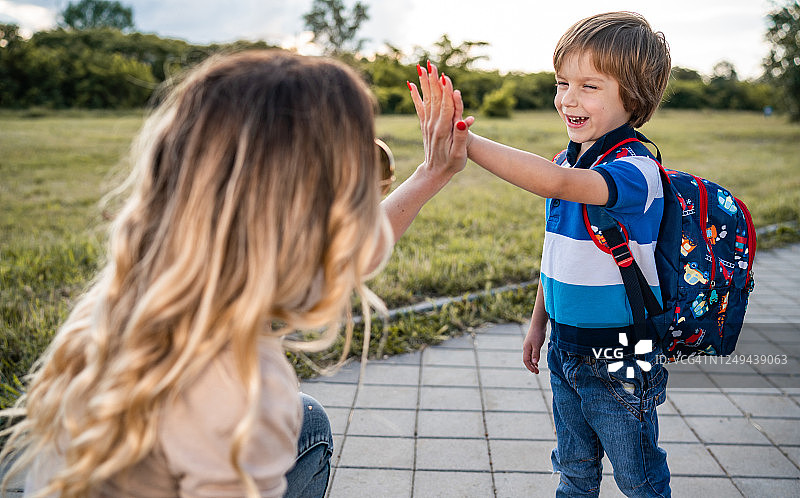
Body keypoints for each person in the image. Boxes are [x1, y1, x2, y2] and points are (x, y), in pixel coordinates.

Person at [0, 50, 467, 497]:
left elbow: (345, 257)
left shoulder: (139, 293)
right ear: (301, 222)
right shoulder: (246, 391)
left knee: (308, 419)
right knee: (309, 422)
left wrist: (430, 174)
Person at [410, 11, 672, 497]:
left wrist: (465, 138)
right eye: (561, 83)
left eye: (589, 86)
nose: (568, 98)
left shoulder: (637, 171)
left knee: (638, 475)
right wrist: (539, 323)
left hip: (621, 355)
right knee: (573, 469)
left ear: (633, 96)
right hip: (566, 349)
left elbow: (555, 184)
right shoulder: (567, 160)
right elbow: (555, 257)